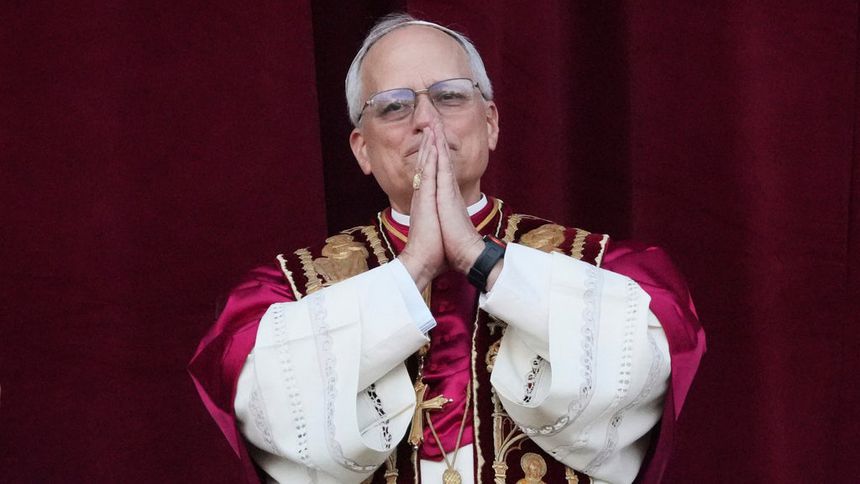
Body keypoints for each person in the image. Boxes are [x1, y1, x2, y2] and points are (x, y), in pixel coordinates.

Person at [189, 13, 705, 484]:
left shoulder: (601, 266)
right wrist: (411, 270)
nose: (426, 120)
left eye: (450, 97)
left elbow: (650, 359)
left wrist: (483, 261)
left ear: (491, 123)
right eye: (395, 106)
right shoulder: (287, 291)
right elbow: (260, 398)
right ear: (362, 149)